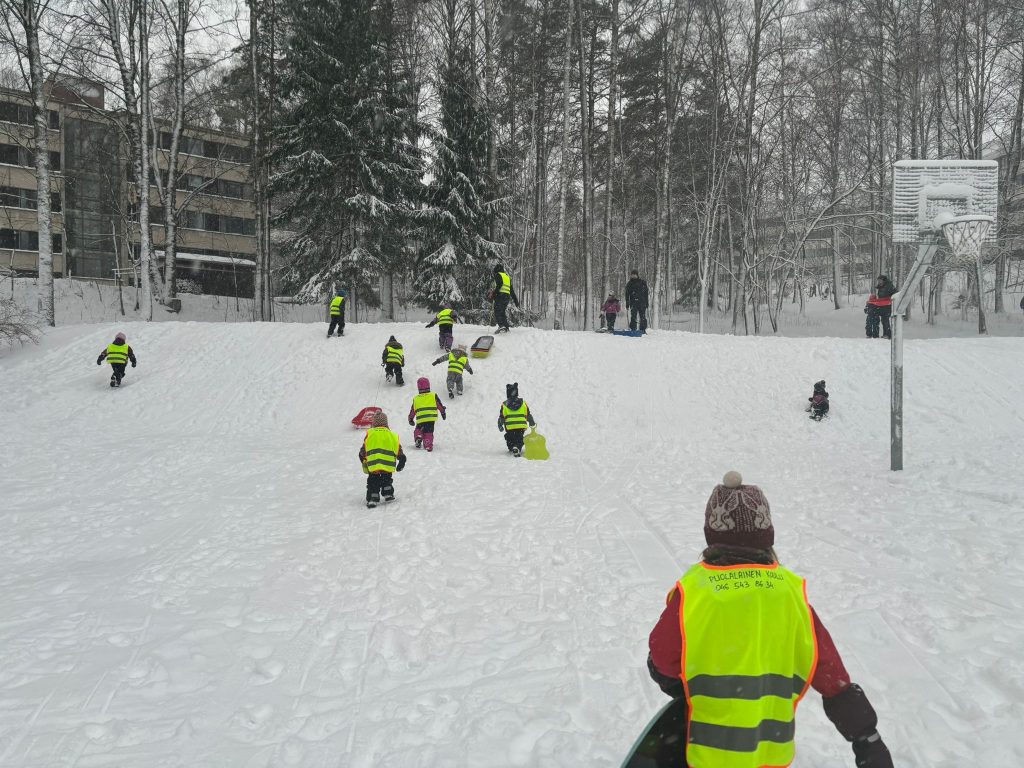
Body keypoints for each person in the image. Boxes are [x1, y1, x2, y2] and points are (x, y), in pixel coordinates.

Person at [647, 472, 894, 768]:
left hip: (710, 751)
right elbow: (827, 667)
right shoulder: (788, 592)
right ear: (766, 534)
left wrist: (684, 681)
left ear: (712, 532)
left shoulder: (697, 590)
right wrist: (865, 735)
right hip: (770, 750)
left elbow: (663, 657)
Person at [358, 411, 406, 508]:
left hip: (374, 464)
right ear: (386, 423)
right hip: (387, 464)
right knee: (386, 479)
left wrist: (362, 457)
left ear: (374, 423)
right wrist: (402, 458)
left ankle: (373, 497)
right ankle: (388, 492)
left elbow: (365, 447)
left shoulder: (370, 434)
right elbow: (397, 448)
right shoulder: (391, 435)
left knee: (373, 481)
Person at [408, 377, 446, 452]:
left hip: (421, 418)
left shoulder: (416, 398)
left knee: (418, 429)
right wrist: (443, 412)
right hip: (430, 418)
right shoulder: (433, 395)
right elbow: (439, 405)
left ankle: (418, 437)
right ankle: (428, 445)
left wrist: (410, 419)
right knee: (428, 432)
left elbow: (413, 410)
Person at [497, 382, 535, 457]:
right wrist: (532, 422)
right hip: (520, 426)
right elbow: (528, 415)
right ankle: (517, 446)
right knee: (519, 439)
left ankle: (512, 447)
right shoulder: (523, 403)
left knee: (510, 438)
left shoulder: (504, 404)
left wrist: (500, 425)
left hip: (510, 427)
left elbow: (502, 417)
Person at [490, 264, 520, 333]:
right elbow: (511, 291)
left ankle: (501, 326)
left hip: (500, 295)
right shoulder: (507, 277)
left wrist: (494, 293)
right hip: (507, 297)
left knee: (497, 310)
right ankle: (506, 327)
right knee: (502, 312)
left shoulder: (498, 275)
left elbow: (499, 285)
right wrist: (516, 301)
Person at [873, 275, 897, 339]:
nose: (879, 282)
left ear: (884, 280)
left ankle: (888, 335)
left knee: (885, 319)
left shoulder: (889, 286)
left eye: (880, 280)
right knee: (883, 320)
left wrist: (890, 299)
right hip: (882, 306)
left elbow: (895, 294)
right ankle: (885, 334)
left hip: (889, 306)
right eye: (878, 280)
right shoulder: (880, 287)